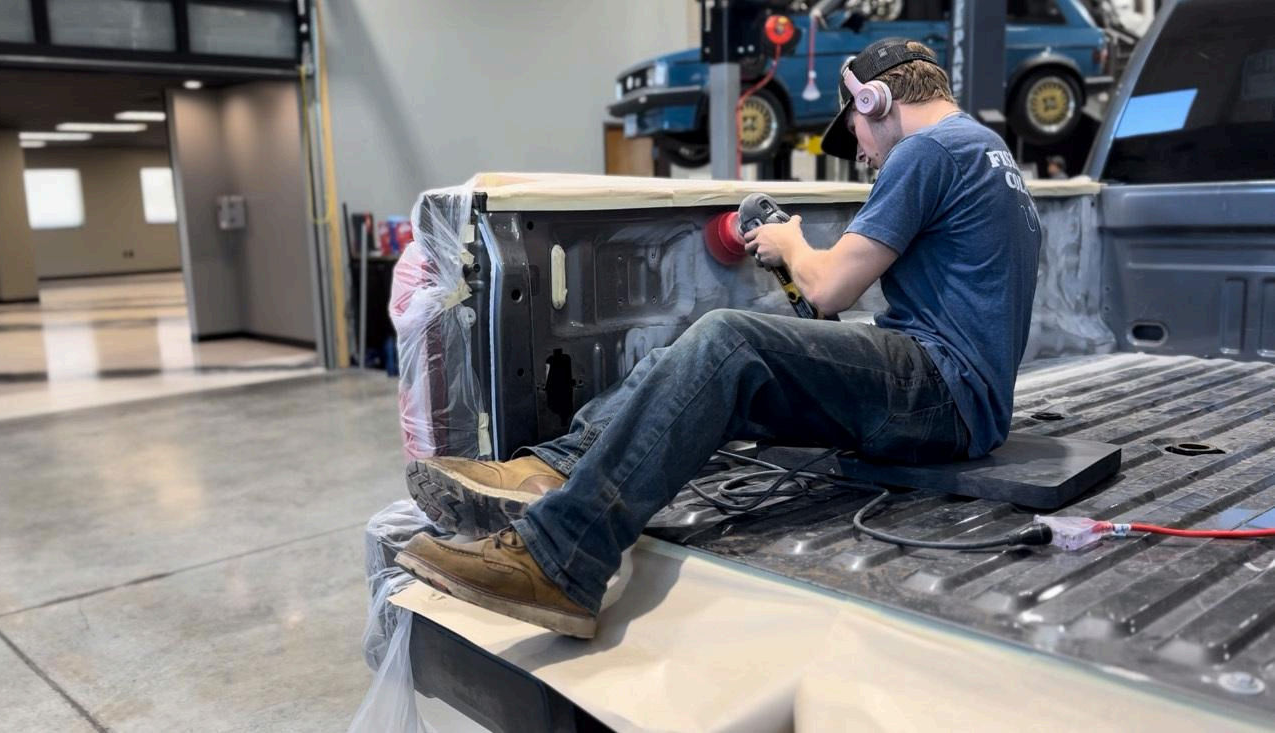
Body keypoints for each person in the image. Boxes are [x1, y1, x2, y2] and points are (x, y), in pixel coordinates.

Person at [396, 38, 1042, 639]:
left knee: (728, 341)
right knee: (718, 351)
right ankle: (552, 467)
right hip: (957, 392)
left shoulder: (926, 151)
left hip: (941, 391)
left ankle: (564, 558)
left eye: (858, 135)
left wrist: (789, 242)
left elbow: (829, 288)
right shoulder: (987, 150)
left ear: (876, 101)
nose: (866, 154)